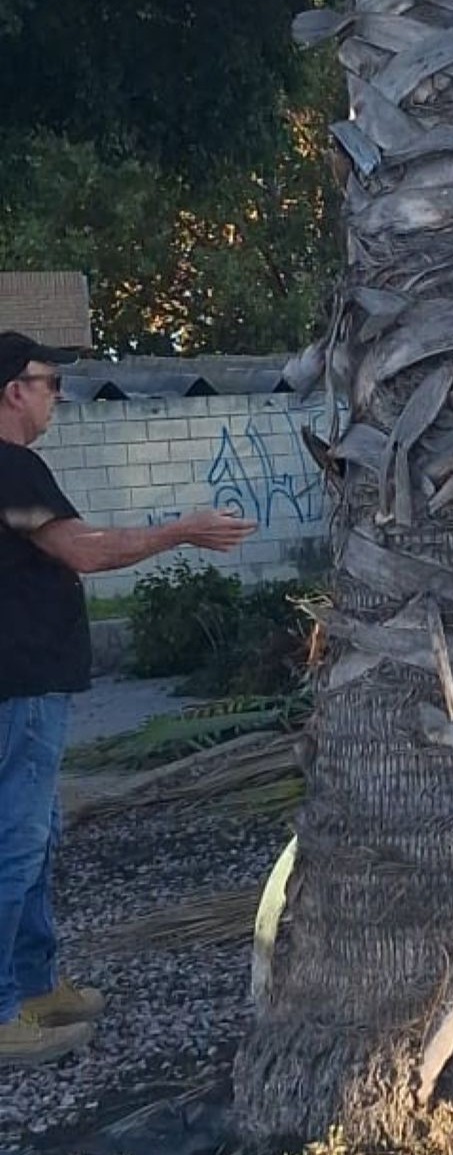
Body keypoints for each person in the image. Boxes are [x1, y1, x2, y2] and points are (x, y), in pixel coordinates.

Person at [0, 331, 257, 1066]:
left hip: (30, 686)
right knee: (16, 846)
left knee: (36, 837)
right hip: (19, 688)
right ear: (14, 388)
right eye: (50, 382)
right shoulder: (12, 468)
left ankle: (36, 984)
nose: (57, 395)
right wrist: (182, 531)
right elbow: (85, 549)